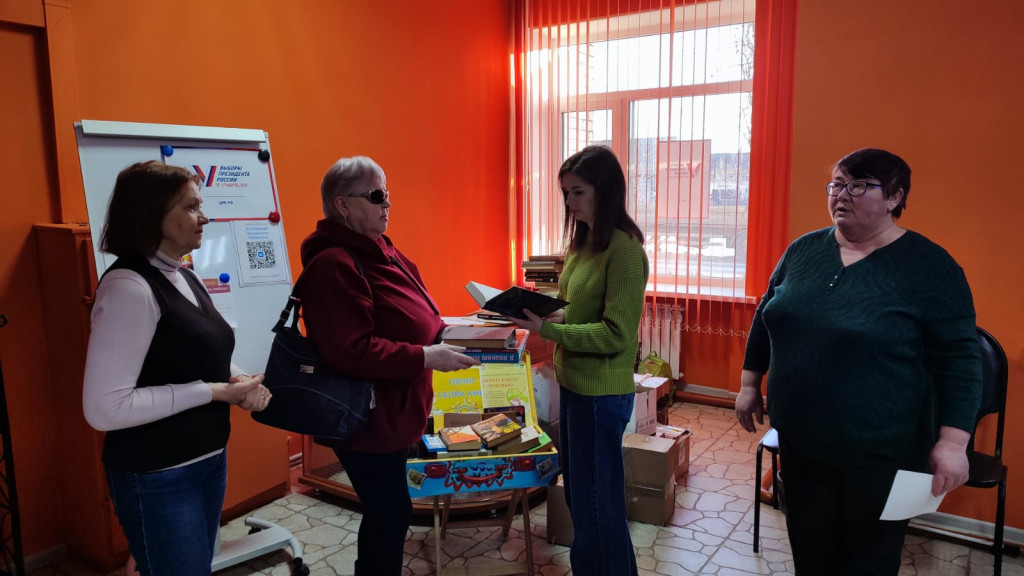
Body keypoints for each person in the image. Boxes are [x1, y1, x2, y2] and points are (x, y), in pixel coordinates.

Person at [735, 148, 982, 575]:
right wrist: (749, 383)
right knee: (810, 551)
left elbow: (959, 361)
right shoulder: (803, 250)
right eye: (836, 184)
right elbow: (767, 314)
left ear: (895, 197)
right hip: (801, 439)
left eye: (859, 185)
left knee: (867, 560)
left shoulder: (931, 267)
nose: (841, 195)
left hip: (881, 452)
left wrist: (953, 443)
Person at [83, 161, 272, 576]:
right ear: (151, 214)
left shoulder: (185, 275)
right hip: (158, 475)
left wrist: (238, 380)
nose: (204, 217)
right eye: (190, 207)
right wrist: (214, 391)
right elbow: (104, 408)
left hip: (208, 459)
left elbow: (204, 353)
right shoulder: (129, 288)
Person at [298, 155, 479, 576]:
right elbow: (349, 351)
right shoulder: (334, 264)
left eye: (387, 194)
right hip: (365, 419)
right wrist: (427, 356)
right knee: (389, 513)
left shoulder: (383, 250)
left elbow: (420, 315)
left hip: (396, 412)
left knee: (389, 512)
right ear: (342, 205)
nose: (388, 205)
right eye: (377, 196)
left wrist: (460, 332)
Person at [511, 145, 649, 576]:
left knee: (596, 509)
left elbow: (615, 334)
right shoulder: (584, 242)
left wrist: (547, 330)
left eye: (578, 192)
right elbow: (576, 308)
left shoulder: (625, 251)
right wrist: (546, 312)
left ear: (604, 191)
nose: (569, 201)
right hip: (574, 385)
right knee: (583, 502)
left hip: (600, 395)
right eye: (565, 193)